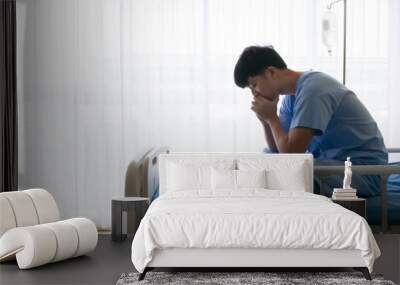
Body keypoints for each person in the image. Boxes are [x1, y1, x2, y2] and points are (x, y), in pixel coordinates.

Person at [233, 45, 388, 197]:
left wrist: (271, 118)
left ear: (271, 72)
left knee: (290, 172)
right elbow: (278, 150)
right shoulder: (291, 97)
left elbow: (291, 154)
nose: (254, 94)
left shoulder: (313, 90)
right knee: (269, 158)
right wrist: (265, 120)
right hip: (332, 164)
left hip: (363, 171)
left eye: (254, 85)